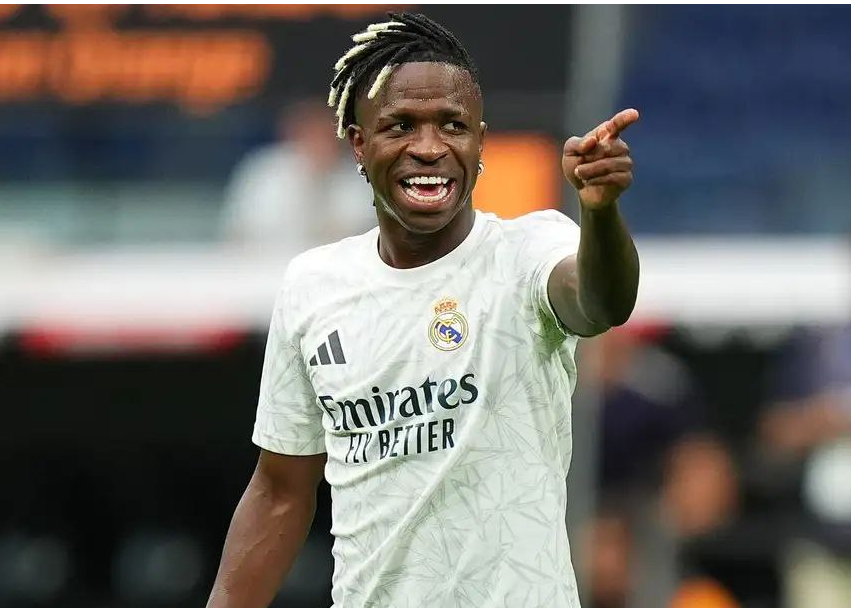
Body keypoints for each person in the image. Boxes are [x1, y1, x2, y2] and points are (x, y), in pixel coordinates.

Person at [206, 11, 640, 608]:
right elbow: (280, 491)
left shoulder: (530, 250)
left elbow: (602, 302)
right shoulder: (314, 286)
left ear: (479, 142)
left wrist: (601, 212)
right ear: (359, 144)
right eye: (401, 126)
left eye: (452, 125)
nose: (430, 148)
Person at [221, 98, 375, 251]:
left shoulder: (356, 176)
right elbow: (242, 230)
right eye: (311, 134)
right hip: (265, 260)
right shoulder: (265, 171)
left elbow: (360, 233)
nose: (319, 144)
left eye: (325, 136)